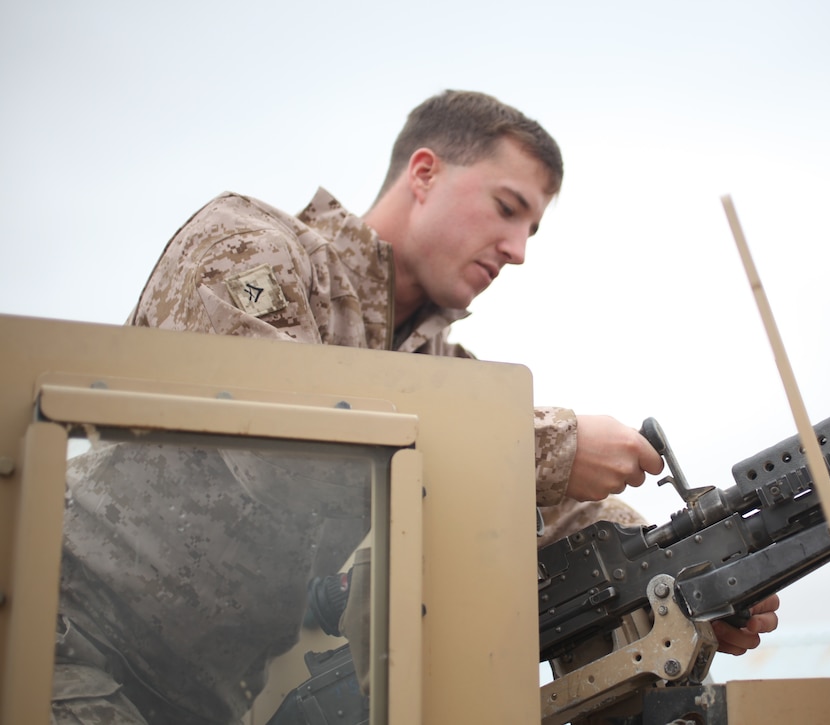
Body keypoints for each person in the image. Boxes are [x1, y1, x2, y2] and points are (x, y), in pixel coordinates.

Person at [52, 90, 779, 724]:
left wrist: (690, 578)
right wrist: (553, 447)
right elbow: (281, 443)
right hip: (63, 639)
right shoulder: (249, 248)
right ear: (424, 173)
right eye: (507, 208)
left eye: (532, 229)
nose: (519, 249)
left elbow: (541, 514)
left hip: (204, 698)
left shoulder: (439, 374)